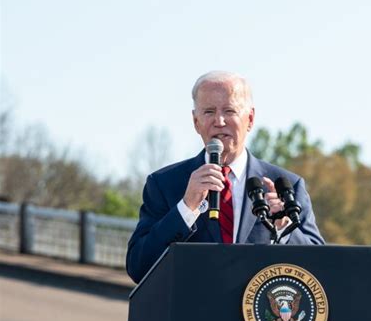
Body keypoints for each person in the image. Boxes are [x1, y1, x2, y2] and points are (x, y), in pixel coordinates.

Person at [126, 71, 324, 283]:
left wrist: (284, 227)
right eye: (209, 111)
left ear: (250, 119)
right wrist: (185, 208)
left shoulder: (286, 185)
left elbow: (321, 267)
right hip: (192, 313)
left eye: (229, 110)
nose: (219, 121)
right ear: (196, 121)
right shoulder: (164, 184)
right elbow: (139, 266)